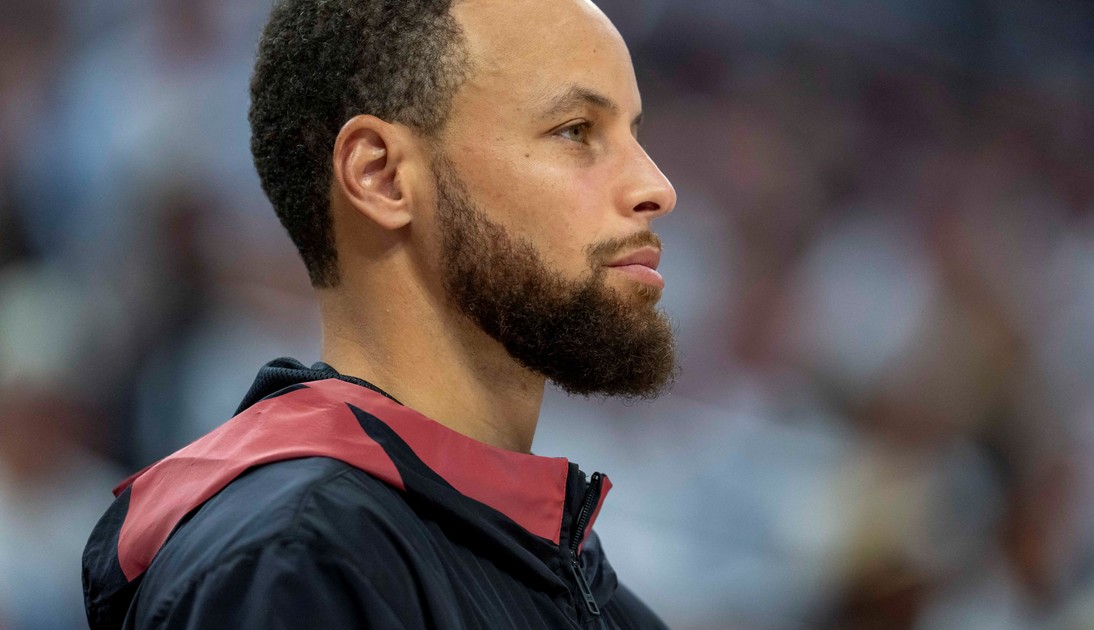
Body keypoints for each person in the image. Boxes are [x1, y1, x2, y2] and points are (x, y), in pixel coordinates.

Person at [81, 0, 678, 627]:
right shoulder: (293, 564)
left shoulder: (588, 588)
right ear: (382, 175)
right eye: (576, 131)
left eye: (634, 135)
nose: (657, 188)